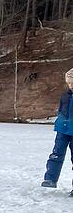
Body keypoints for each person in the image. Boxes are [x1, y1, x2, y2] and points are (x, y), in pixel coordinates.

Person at [41, 67, 73, 196]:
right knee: (56, 154)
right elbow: (61, 110)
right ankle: (50, 179)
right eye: (69, 82)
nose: (71, 85)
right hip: (62, 130)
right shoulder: (65, 96)